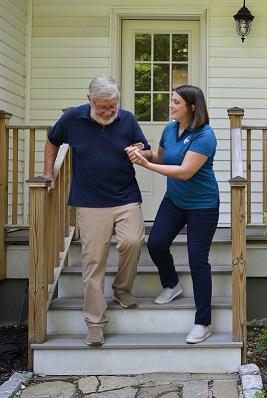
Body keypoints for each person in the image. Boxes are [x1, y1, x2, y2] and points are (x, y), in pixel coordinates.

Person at [43, 75, 152, 346]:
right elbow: (52, 140)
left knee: (133, 241)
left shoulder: (127, 119)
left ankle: (122, 289)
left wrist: (140, 155)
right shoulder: (72, 119)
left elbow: (147, 152)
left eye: (112, 106)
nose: (107, 112)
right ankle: (94, 323)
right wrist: (48, 174)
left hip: (126, 196)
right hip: (90, 201)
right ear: (89, 99)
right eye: (102, 107)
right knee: (94, 261)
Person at [126, 85, 219, 344]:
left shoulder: (205, 135)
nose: (171, 105)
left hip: (203, 204)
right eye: (171, 100)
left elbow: (185, 171)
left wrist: (147, 165)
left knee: (197, 259)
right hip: (175, 200)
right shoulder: (169, 129)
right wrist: (141, 153)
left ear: (191, 106)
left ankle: (203, 323)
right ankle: (172, 284)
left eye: (176, 102)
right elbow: (162, 157)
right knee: (155, 243)